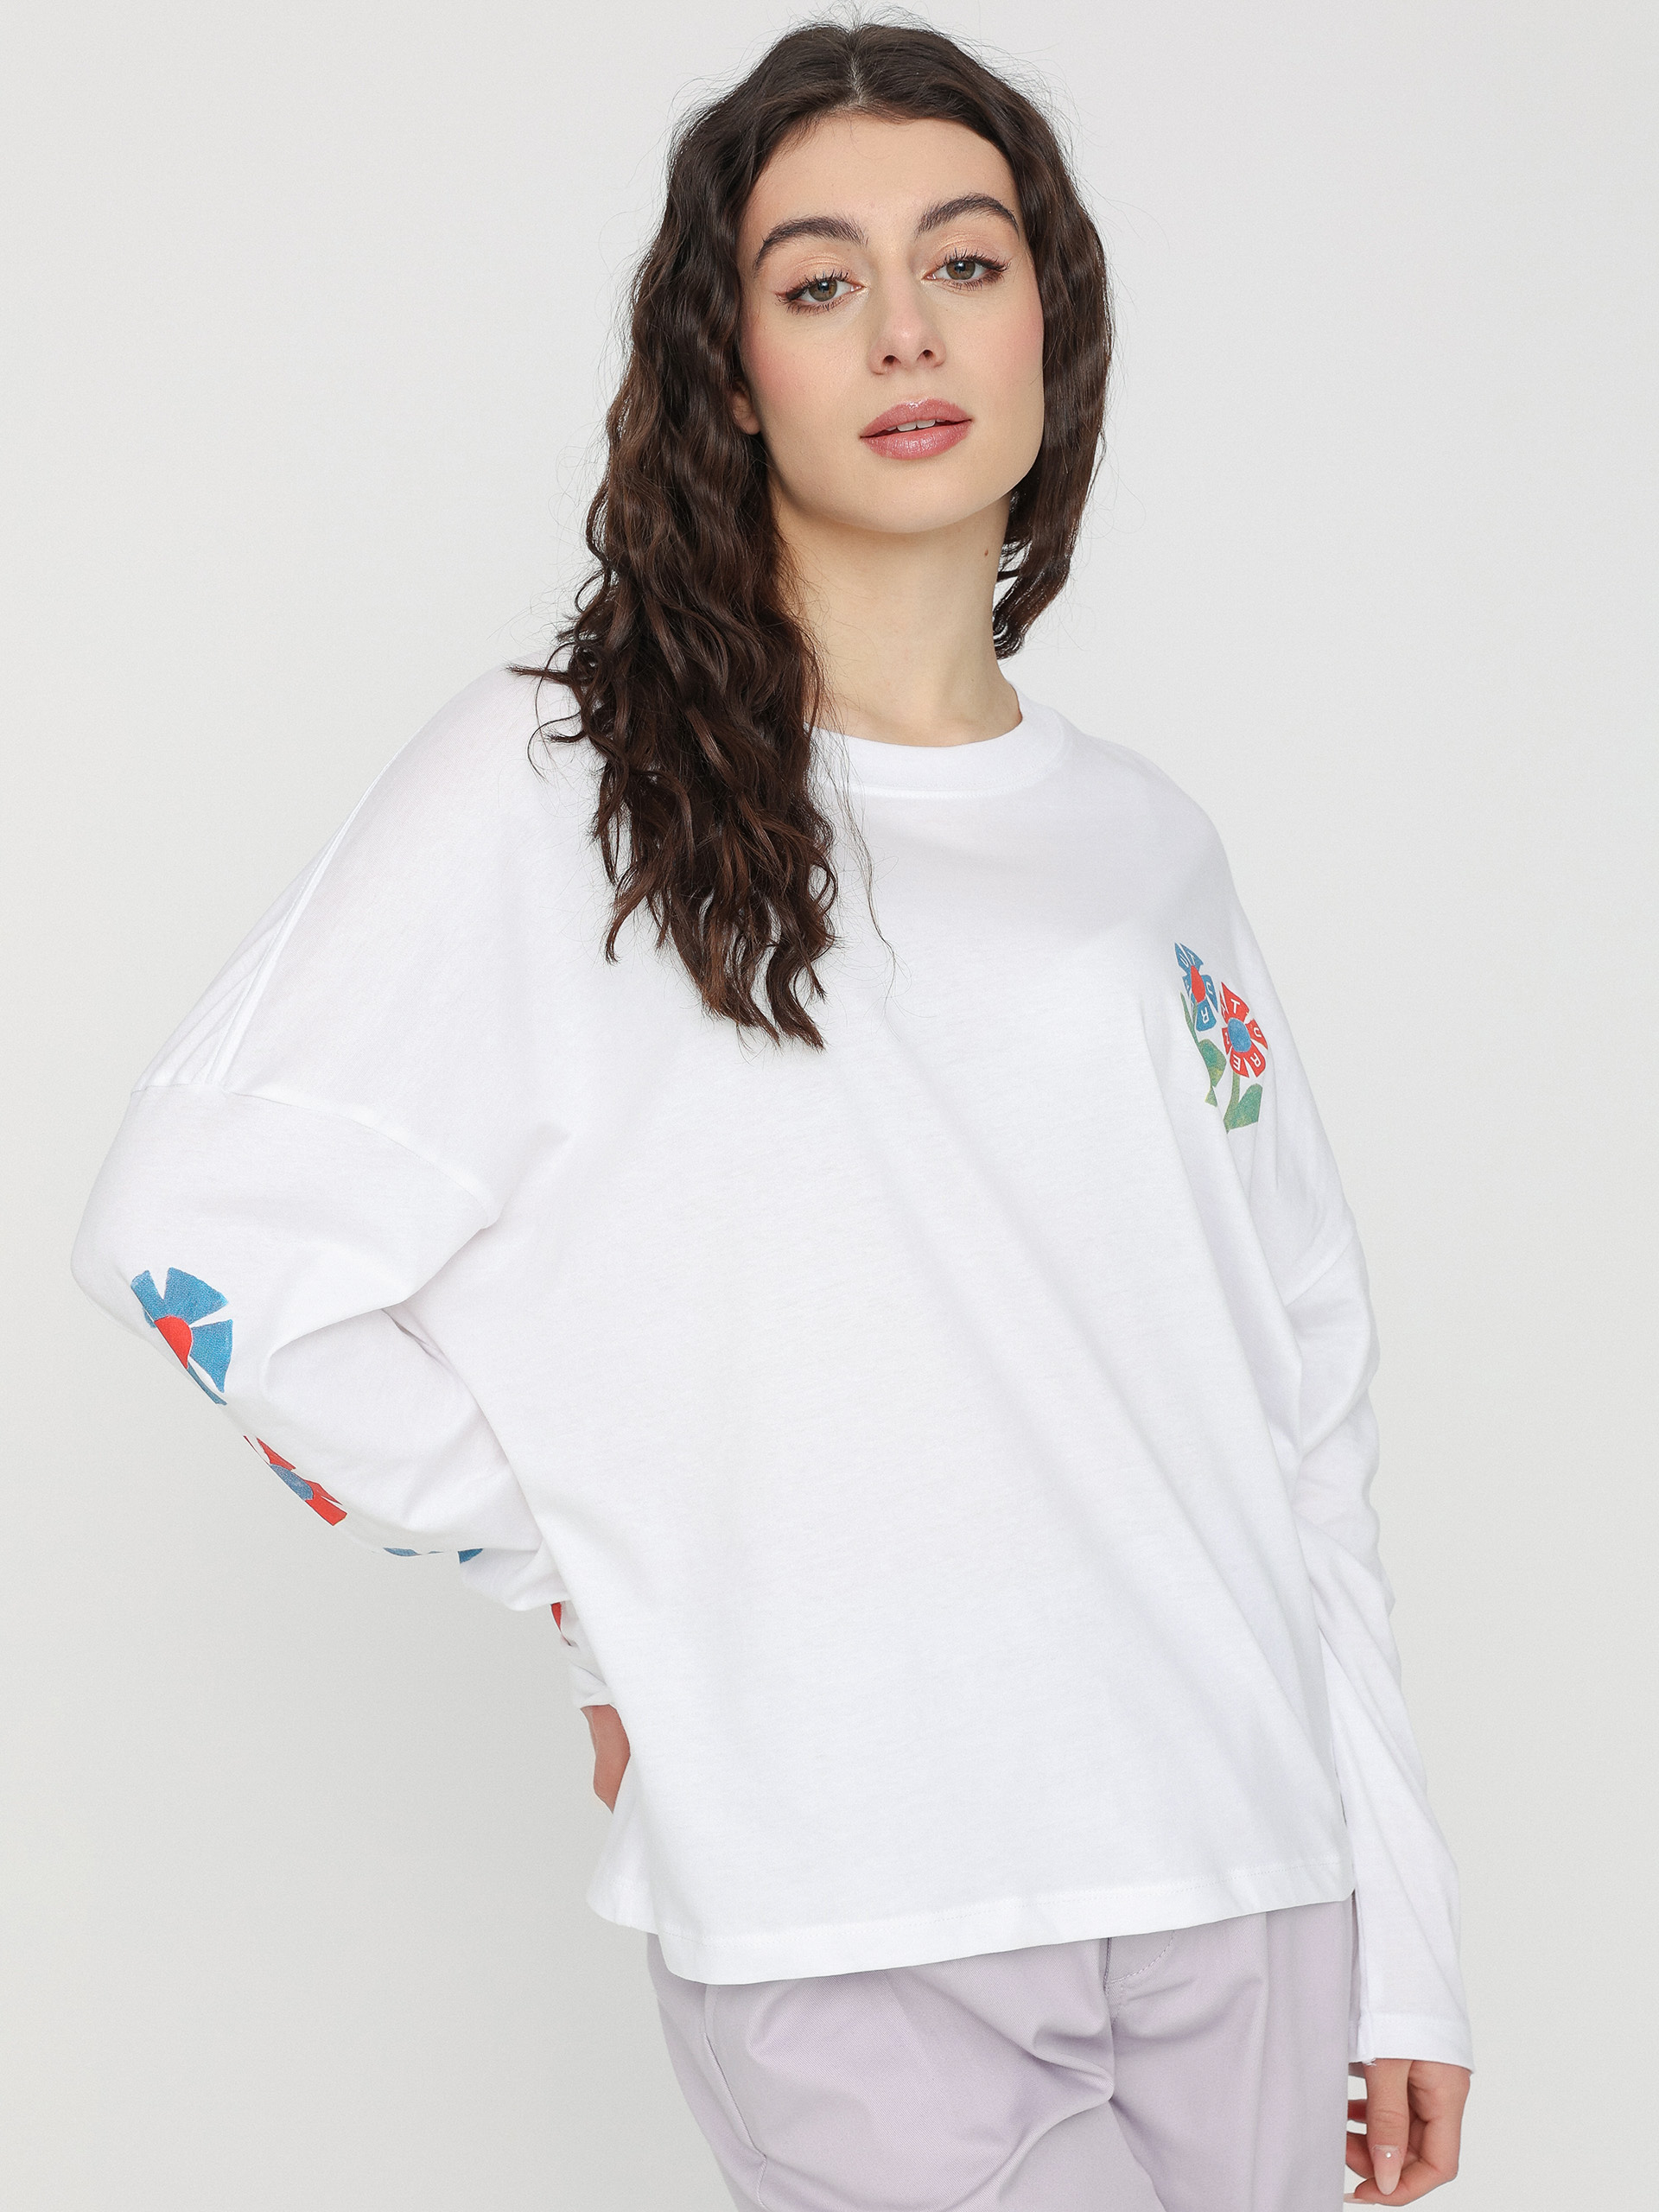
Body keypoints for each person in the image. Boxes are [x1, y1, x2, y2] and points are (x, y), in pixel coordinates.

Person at [71, 19, 1472, 2210]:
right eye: (822, 282)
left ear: (1048, 322)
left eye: (966, 263)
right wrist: (593, 1592)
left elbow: (1302, 1410)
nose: (907, 331)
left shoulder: (1147, 850)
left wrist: (1412, 1940)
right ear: (730, 372)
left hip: (1253, 1873)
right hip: (853, 1898)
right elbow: (195, 1241)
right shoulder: (564, 784)